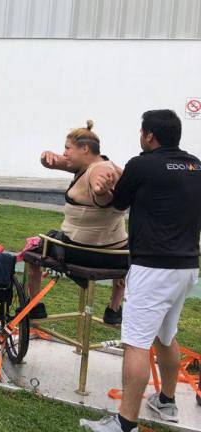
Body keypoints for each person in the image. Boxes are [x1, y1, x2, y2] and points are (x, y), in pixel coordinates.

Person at [81, 110, 201, 432]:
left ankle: (125, 424)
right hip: (187, 267)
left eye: (141, 133)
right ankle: (166, 401)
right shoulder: (196, 166)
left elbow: (116, 204)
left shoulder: (141, 164)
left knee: (135, 343)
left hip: (152, 268)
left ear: (149, 135)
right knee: (166, 335)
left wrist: (102, 186)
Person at [26, 120, 128, 325]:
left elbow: (101, 194)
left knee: (33, 249)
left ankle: (34, 307)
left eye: (67, 148)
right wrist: (46, 156)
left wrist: (102, 192)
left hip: (80, 253)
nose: (64, 153)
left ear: (85, 149)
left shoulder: (98, 171)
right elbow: (55, 162)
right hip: (118, 255)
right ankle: (114, 309)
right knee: (125, 241)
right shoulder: (103, 165)